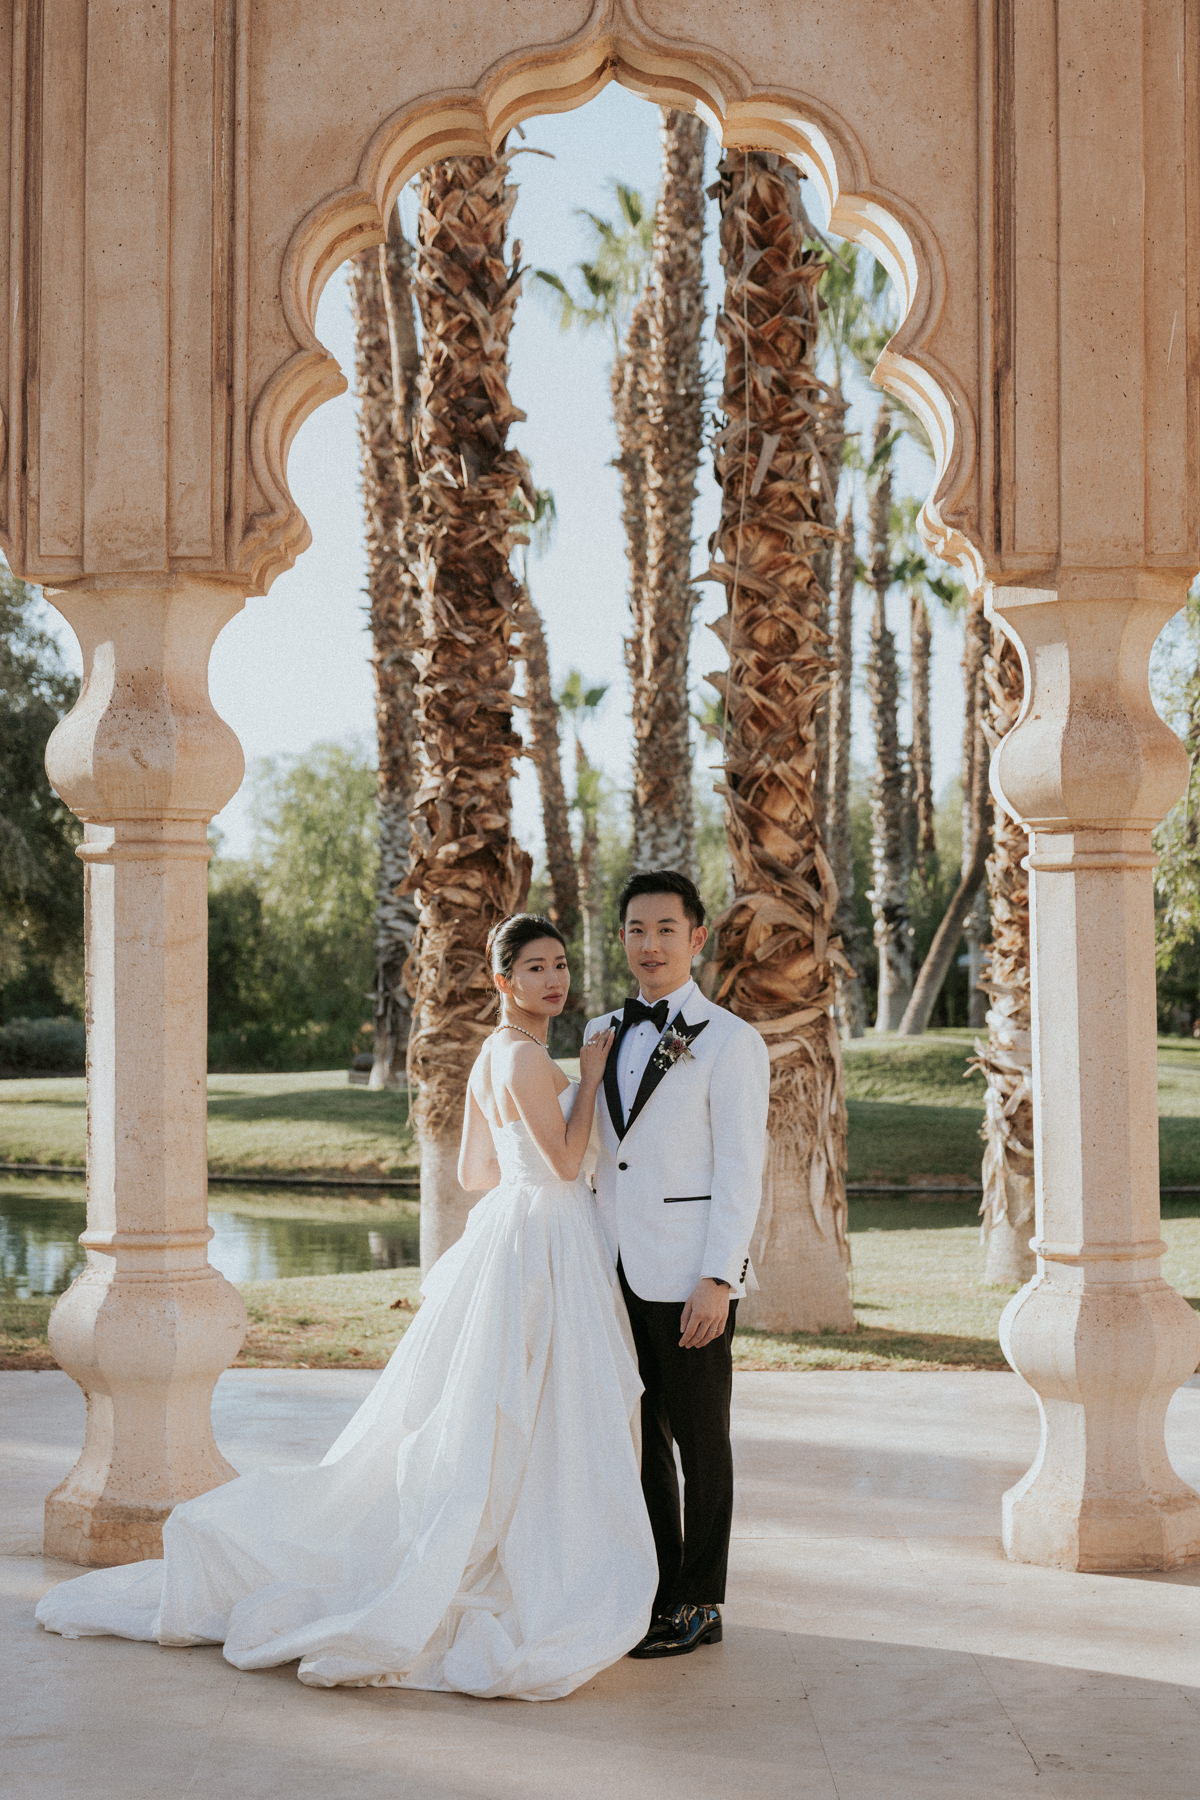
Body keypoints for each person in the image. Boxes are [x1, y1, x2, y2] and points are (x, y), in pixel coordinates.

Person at [36, 914, 658, 1701]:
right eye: (534, 967)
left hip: (515, 1235)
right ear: (503, 982)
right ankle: (533, 1559)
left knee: (507, 1405)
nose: (554, 979)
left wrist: (522, 1202)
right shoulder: (529, 1059)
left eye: (561, 964)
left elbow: (474, 1173)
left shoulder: (488, 1058)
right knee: (541, 1405)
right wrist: (592, 1076)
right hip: (545, 1234)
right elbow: (567, 1163)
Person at [586, 869, 770, 1659]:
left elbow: (740, 1168)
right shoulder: (600, 1032)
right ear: (621, 938)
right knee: (643, 1441)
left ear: (696, 938)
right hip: (612, 1270)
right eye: (636, 928)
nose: (650, 943)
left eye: (666, 928)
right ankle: (662, 1595)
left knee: (703, 1442)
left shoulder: (731, 1040)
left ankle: (701, 1599)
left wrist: (719, 1278)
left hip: (691, 1275)